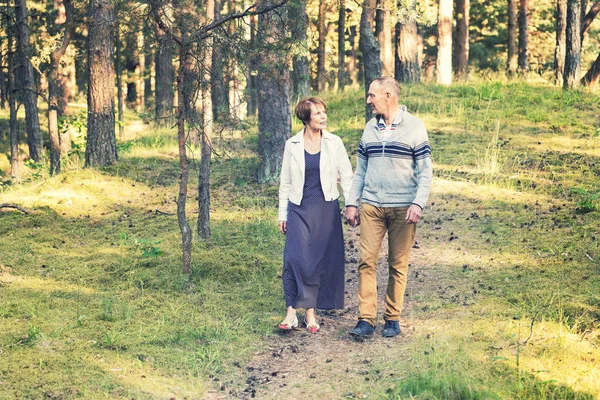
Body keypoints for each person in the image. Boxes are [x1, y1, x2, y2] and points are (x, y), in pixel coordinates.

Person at [344, 77, 433, 338]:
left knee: (397, 264)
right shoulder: (369, 128)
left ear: (388, 96)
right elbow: (360, 170)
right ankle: (366, 319)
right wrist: (352, 202)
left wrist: (418, 203)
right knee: (366, 262)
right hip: (372, 205)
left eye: (372, 95)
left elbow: (425, 172)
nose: (368, 100)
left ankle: (392, 317)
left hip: (403, 208)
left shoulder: (415, 128)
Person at [277, 97, 353, 333]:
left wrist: (351, 205)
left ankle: (310, 314)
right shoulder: (292, 144)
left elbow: (347, 176)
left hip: (325, 208)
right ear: (306, 118)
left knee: (316, 261)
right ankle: (291, 313)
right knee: (294, 259)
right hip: (298, 208)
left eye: (324, 112)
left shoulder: (334, 142)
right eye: (318, 113)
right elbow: (285, 182)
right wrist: (282, 214)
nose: (323, 117)